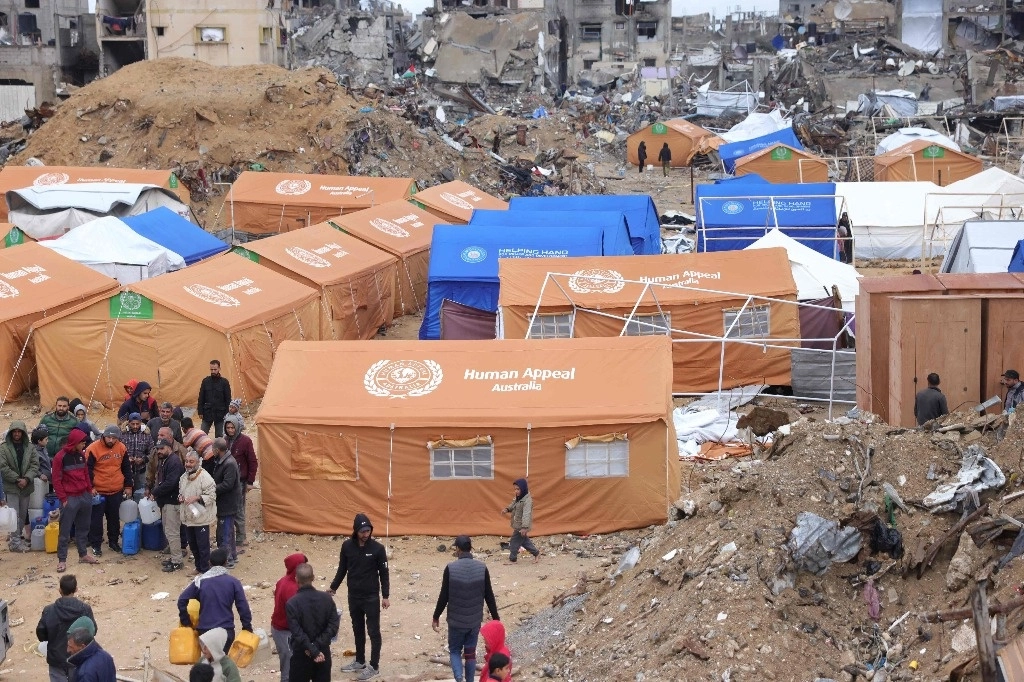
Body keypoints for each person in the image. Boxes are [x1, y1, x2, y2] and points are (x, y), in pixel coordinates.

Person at [328, 513, 390, 680]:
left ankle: (374, 666)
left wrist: (385, 595)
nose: (365, 534)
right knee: (358, 629)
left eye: (368, 530)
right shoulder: (347, 547)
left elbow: (384, 573)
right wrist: (333, 587)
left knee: (373, 631)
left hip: (370, 597)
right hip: (353, 596)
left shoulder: (377, 549)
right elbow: (342, 569)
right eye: (362, 531)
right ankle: (360, 660)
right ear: (355, 531)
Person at [432, 535, 500, 682]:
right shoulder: (482, 568)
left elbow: (443, 596)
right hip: (474, 621)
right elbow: (489, 596)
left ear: (457, 549)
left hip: (456, 621)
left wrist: (436, 616)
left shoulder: (450, 568)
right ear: (470, 548)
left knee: (455, 651)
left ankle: (458, 678)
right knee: (470, 654)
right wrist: (496, 619)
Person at [177, 548, 253, 653]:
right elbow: (243, 607)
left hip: (204, 631)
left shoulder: (200, 581)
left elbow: (182, 600)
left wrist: (186, 621)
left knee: (208, 663)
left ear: (209, 563)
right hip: (226, 631)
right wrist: (247, 627)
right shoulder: (233, 582)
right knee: (222, 664)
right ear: (226, 562)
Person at [52, 430, 99, 573]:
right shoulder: (60, 457)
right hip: (70, 498)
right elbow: (56, 480)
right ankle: (62, 560)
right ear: (75, 442)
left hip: (84, 495)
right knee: (65, 530)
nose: (84, 444)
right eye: (82, 442)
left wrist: (89, 491)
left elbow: (86, 474)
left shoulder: (81, 455)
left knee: (83, 527)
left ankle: (83, 554)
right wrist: (63, 499)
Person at [36, 574, 96, 682]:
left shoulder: (49, 610)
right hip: (78, 656)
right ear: (76, 589)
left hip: (56, 659)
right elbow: (93, 631)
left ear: (60, 590)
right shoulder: (85, 609)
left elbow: (41, 635)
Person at [287, 563, 341, 682]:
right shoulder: (327, 599)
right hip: (322, 652)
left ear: (296, 579)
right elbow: (333, 626)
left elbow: (297, 632)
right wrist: (316, 649)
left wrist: (312, 649)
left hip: (302, 653)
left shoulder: (292, 603)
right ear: (313, 578)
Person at [85, 426, 131, 556]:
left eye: (114, 438)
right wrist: (91, 487)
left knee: (114, 519)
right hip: (98, 491)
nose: (111, 440)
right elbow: (86, 471)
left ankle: (113, 542)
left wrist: (128, 486)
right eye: (108, 437)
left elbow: (126, 467)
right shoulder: (92, 449)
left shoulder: (121, 448)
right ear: (103, 436)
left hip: (116, 490)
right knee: (96, 520)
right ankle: (96, 545)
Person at [0, 419, 38, 551]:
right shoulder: (3, 448)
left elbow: (34, 465)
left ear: (23, 433)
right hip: (12, 487)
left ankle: (16, 540)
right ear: (11, 433)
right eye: (14, 431)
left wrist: (27, 479)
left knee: (22, 514)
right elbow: (3, 468)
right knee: (13, 514)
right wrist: (17, 479)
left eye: (19, 431)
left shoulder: (30, 448)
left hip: (26, 486)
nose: (17, 434)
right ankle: (15, 542)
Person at [150, 438, 186, 572]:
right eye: (157, 449)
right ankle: (174, 556)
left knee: (172, 532)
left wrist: (155, 492)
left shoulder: (174, 462)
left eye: (162, 448)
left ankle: (177, 561)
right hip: (167, 501)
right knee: (168, 531)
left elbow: (171, 483)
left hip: (173, 502)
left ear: (169, 448)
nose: (159, 451)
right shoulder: (164, 461)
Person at [179, 450, 217, 574]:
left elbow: (212, 496)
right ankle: (198, 567)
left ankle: (205, 570)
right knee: (193, 545)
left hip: (201, 519)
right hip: (188, 517)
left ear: (197, 463)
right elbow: (182, 491)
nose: (188, 464)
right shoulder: (184, 477)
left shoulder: (205, 477)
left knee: (203, 547)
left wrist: (197, 498)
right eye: (186, 461)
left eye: (191, 462)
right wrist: (180, 497)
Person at [272, 553, 308, 682]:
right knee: (289, 668)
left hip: (280, 628)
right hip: (285, 630)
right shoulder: (293, 588)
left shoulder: (283, 581)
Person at [223, 414, 256, 548]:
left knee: (239, 509)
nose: (230, 430)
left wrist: (250, 482)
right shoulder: (225, 441)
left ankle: (242, 537)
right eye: (228, 427)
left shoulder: (245, 441)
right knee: (229, 509)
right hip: (227, 481)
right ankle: (231, 537)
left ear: (237, 427)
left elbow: (252, 462)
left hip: (240, 481)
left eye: (232, 427)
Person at [211, 438, 241, 568]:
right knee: (228, 531)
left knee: (224, 533)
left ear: (217, 450)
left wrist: (212, 489)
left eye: (213, 449)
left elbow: (228, 485)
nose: (212, 452)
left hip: (228, 504)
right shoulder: (224, 461)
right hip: (225, 503)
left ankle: (227, 559)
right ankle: (232, 555)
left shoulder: (229, 463)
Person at [501, 478, 540, 563]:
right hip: (518, 524)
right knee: (525, 542)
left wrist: (524, 527)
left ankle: (513, 558)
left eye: (518, 489)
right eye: (515, 489)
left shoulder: (527, 500)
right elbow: (513, 504)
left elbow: (527, 514)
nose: (516, 491)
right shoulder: (518, 497)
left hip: (522, 526)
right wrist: (507, 509)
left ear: (523, 488)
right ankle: (536, 553)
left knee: (514, 542)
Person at [198, 360, 232, 438]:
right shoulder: (205, 381)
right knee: (201, 435)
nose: (213, 371)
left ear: (219, 369)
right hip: (207, 413)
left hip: (220, 414)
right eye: (211, 369)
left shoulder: (224, 382)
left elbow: (228, 400)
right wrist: (200, 411)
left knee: (220, 436)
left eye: (215, 369)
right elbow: (201, 397)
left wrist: (227, 413)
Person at [121, 413, 150, 500]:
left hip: (141, 471)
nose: (135, 426)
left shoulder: (146, 435)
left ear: (141, 423)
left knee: (140, 496)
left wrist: (143, 459)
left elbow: (152, 452)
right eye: (132, 424)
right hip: (125, 472)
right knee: (125, 496)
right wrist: (126, 460)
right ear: (128, 423)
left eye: (137, 424)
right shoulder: (122, 434)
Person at [32, 425, 52, 491]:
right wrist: (40, 475)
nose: (48, 441)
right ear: (39, 441)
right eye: (46, 439)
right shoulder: (34, 452)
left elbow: (46, 460)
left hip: (48, 480)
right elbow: (32, 467)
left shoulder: (43, 448)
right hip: (40, 482)